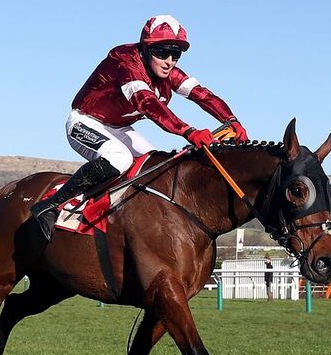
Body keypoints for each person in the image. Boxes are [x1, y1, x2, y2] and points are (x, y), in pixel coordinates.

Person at [30, 14, 250, 241]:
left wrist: (231, 119)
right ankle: (50, 205)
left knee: (154, 167)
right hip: (85, 122)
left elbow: (202, 95)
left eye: (176, 54)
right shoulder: (125, 63)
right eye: (162, 52)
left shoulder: (169, 72)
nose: (169, 61)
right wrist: (188, 131)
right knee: (119, 159)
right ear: (145, 49)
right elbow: (147, 104)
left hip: (118, 127)